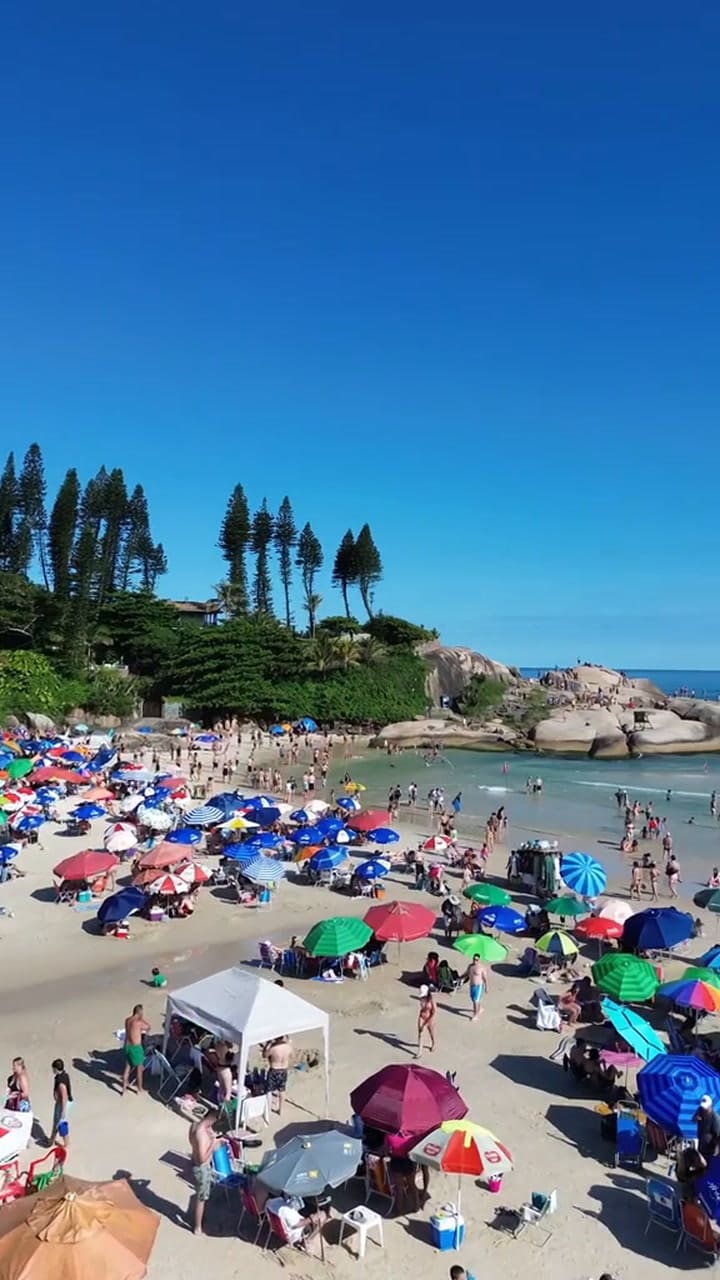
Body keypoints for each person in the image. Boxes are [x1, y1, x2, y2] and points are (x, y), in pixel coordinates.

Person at [189, 1109, 222, 1235]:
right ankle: (198, 1227)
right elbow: (202, 1158)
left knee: (201, 1196)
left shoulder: (194, 1125)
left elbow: (193, 1144)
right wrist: (213, 1144)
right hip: (201, 1168)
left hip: (196, 1165)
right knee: (201, 1199)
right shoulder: (201, 1133)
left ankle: (199, 1221)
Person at [122, 1004, 150, 1096]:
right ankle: (139, 1088)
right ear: (139, 1013)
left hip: (127, 1046)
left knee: (127, 1067)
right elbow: (148, 1027)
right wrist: (143, 1019)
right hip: (136, 1047)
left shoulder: (127, 1020)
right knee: (139, 1069)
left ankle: (124, 1088)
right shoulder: (138, 1022)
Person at [264, 1036, 291, 1115]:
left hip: (274, 1069)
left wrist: (267, 1044)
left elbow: (265, 1055)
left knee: (269, 1090)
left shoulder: (273, 1048)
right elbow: (292, 1055)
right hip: (283, 1069)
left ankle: (268, 1108)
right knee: (282, 1090)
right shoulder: (288, 1047)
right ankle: (280, 1110)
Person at [50, 1058, 72, 1148]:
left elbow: (64, 1095)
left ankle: (66, 1143)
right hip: (62, 1103)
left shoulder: (61, 1082)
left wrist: (63, 1110)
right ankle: (51, 1140)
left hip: (61, 1104)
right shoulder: (64, 1075)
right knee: (56, 1123)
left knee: (61, 1124)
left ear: (55, 1069)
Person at [463, 955, 489, 1022]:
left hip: (479, 986)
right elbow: (466, 974)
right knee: (473, 999)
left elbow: (485, 979)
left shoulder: (481, 968)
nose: (475, 961)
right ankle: (479, 1008)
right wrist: (460, 977)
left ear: (479, 960)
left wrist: (486, 987)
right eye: (474, 959)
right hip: (472, 985)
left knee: (475, 1001)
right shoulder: (470, 966)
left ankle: (475, 1015)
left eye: (477, 960)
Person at [695, 1095, 720, 1162]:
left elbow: (717, 1137)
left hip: (710, 1151)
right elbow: (693, 1119)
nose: (704, 1109)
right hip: (701, 1147)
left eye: (705, 1107)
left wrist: (716, 1153)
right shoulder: (701, 1112)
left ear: (710, 1106)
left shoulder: (715, 1118)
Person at [416, 985, 436, 1055]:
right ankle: (419, 1051)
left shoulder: (431, 999)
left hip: (430, 1017)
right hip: (422, 1016)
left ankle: (433, 1043)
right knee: (420, 1033)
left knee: (431, 1033)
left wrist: (427, 1022)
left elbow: (434, 1011)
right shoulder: (421, 998)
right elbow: (422, 1008)